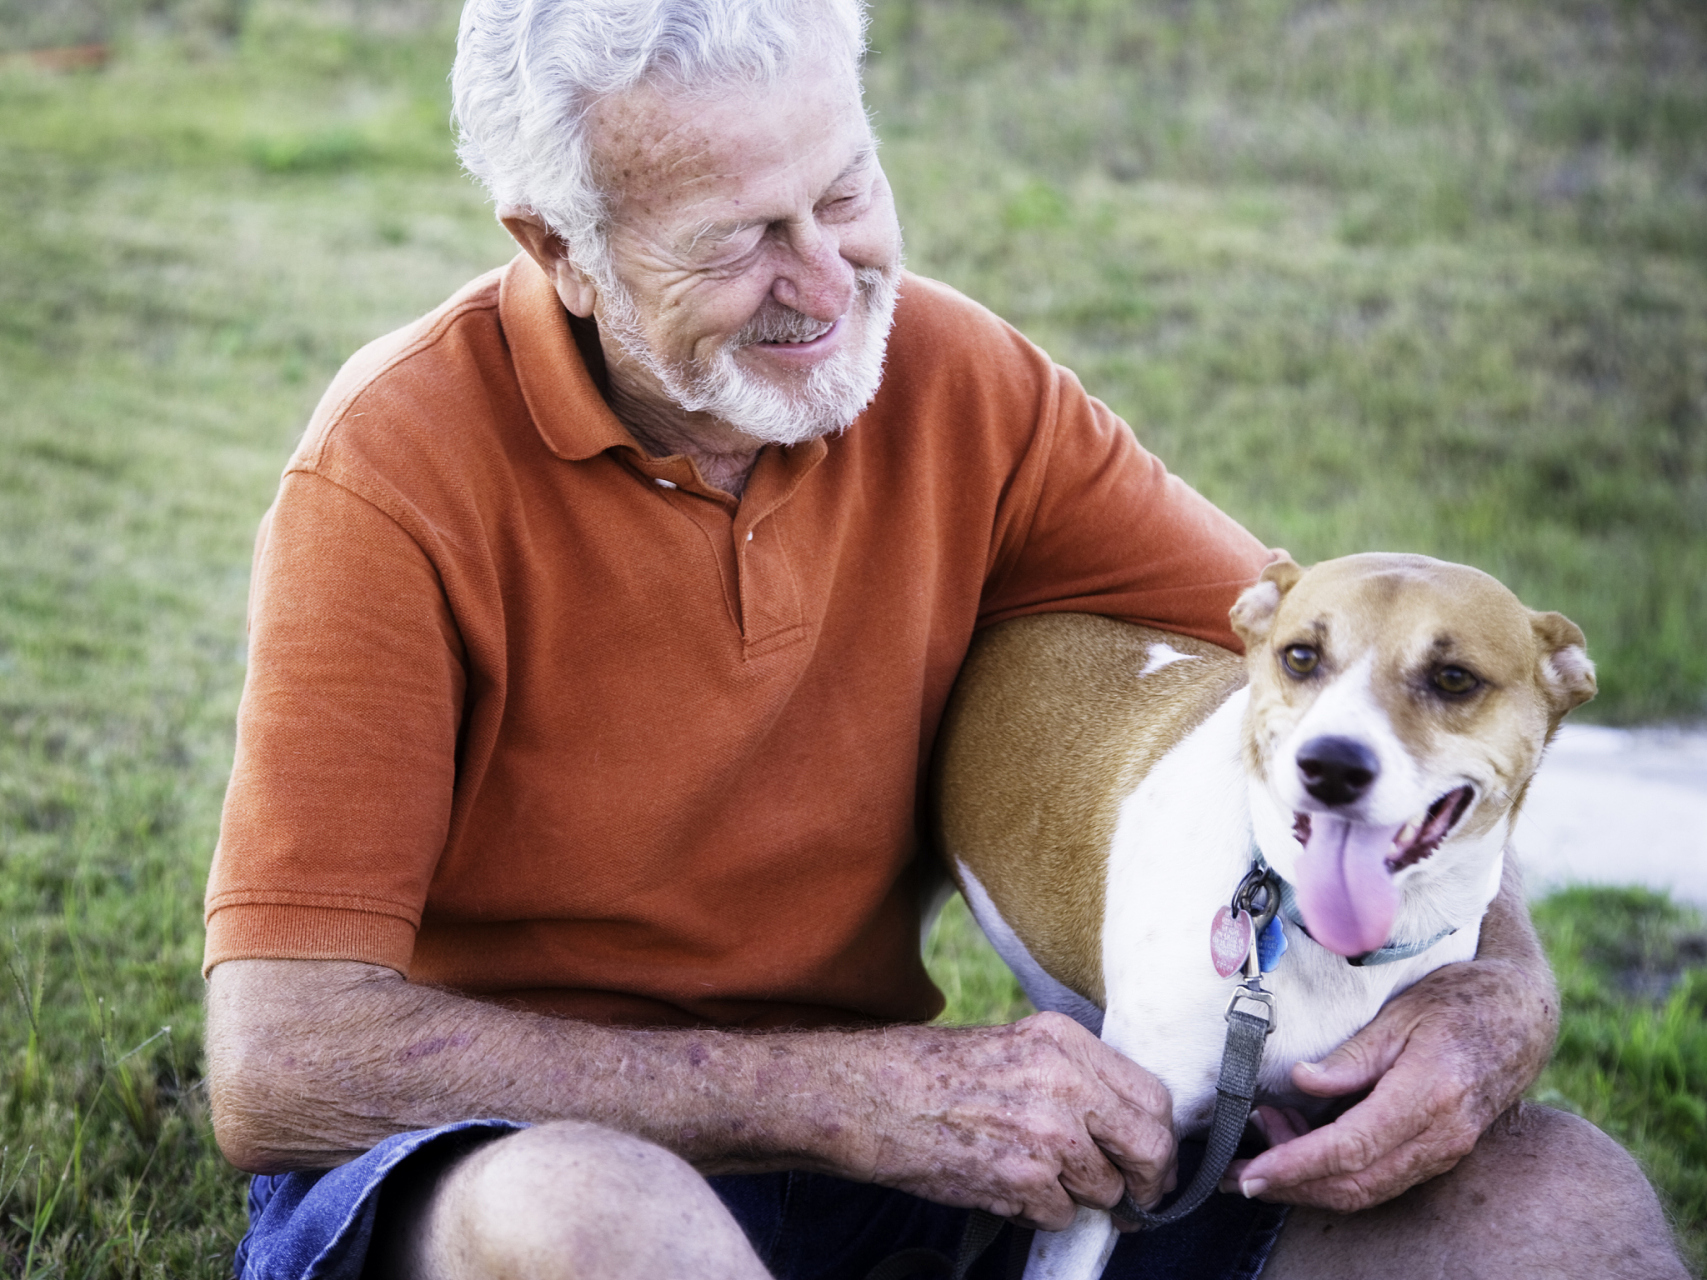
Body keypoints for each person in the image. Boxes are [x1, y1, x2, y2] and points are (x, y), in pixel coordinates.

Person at [202, 1, 1688, 1277]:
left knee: (1556, 1199)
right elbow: (283, 1065)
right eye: (740, 240)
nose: (828, 277)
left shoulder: (957, 381)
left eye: (845, 190)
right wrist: (845, 1096)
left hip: (914, 1171)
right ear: (560, 249)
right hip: (531, 1159)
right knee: (599, 1214)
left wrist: (1502, 985)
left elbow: (1326, 704)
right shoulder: (390, 476)